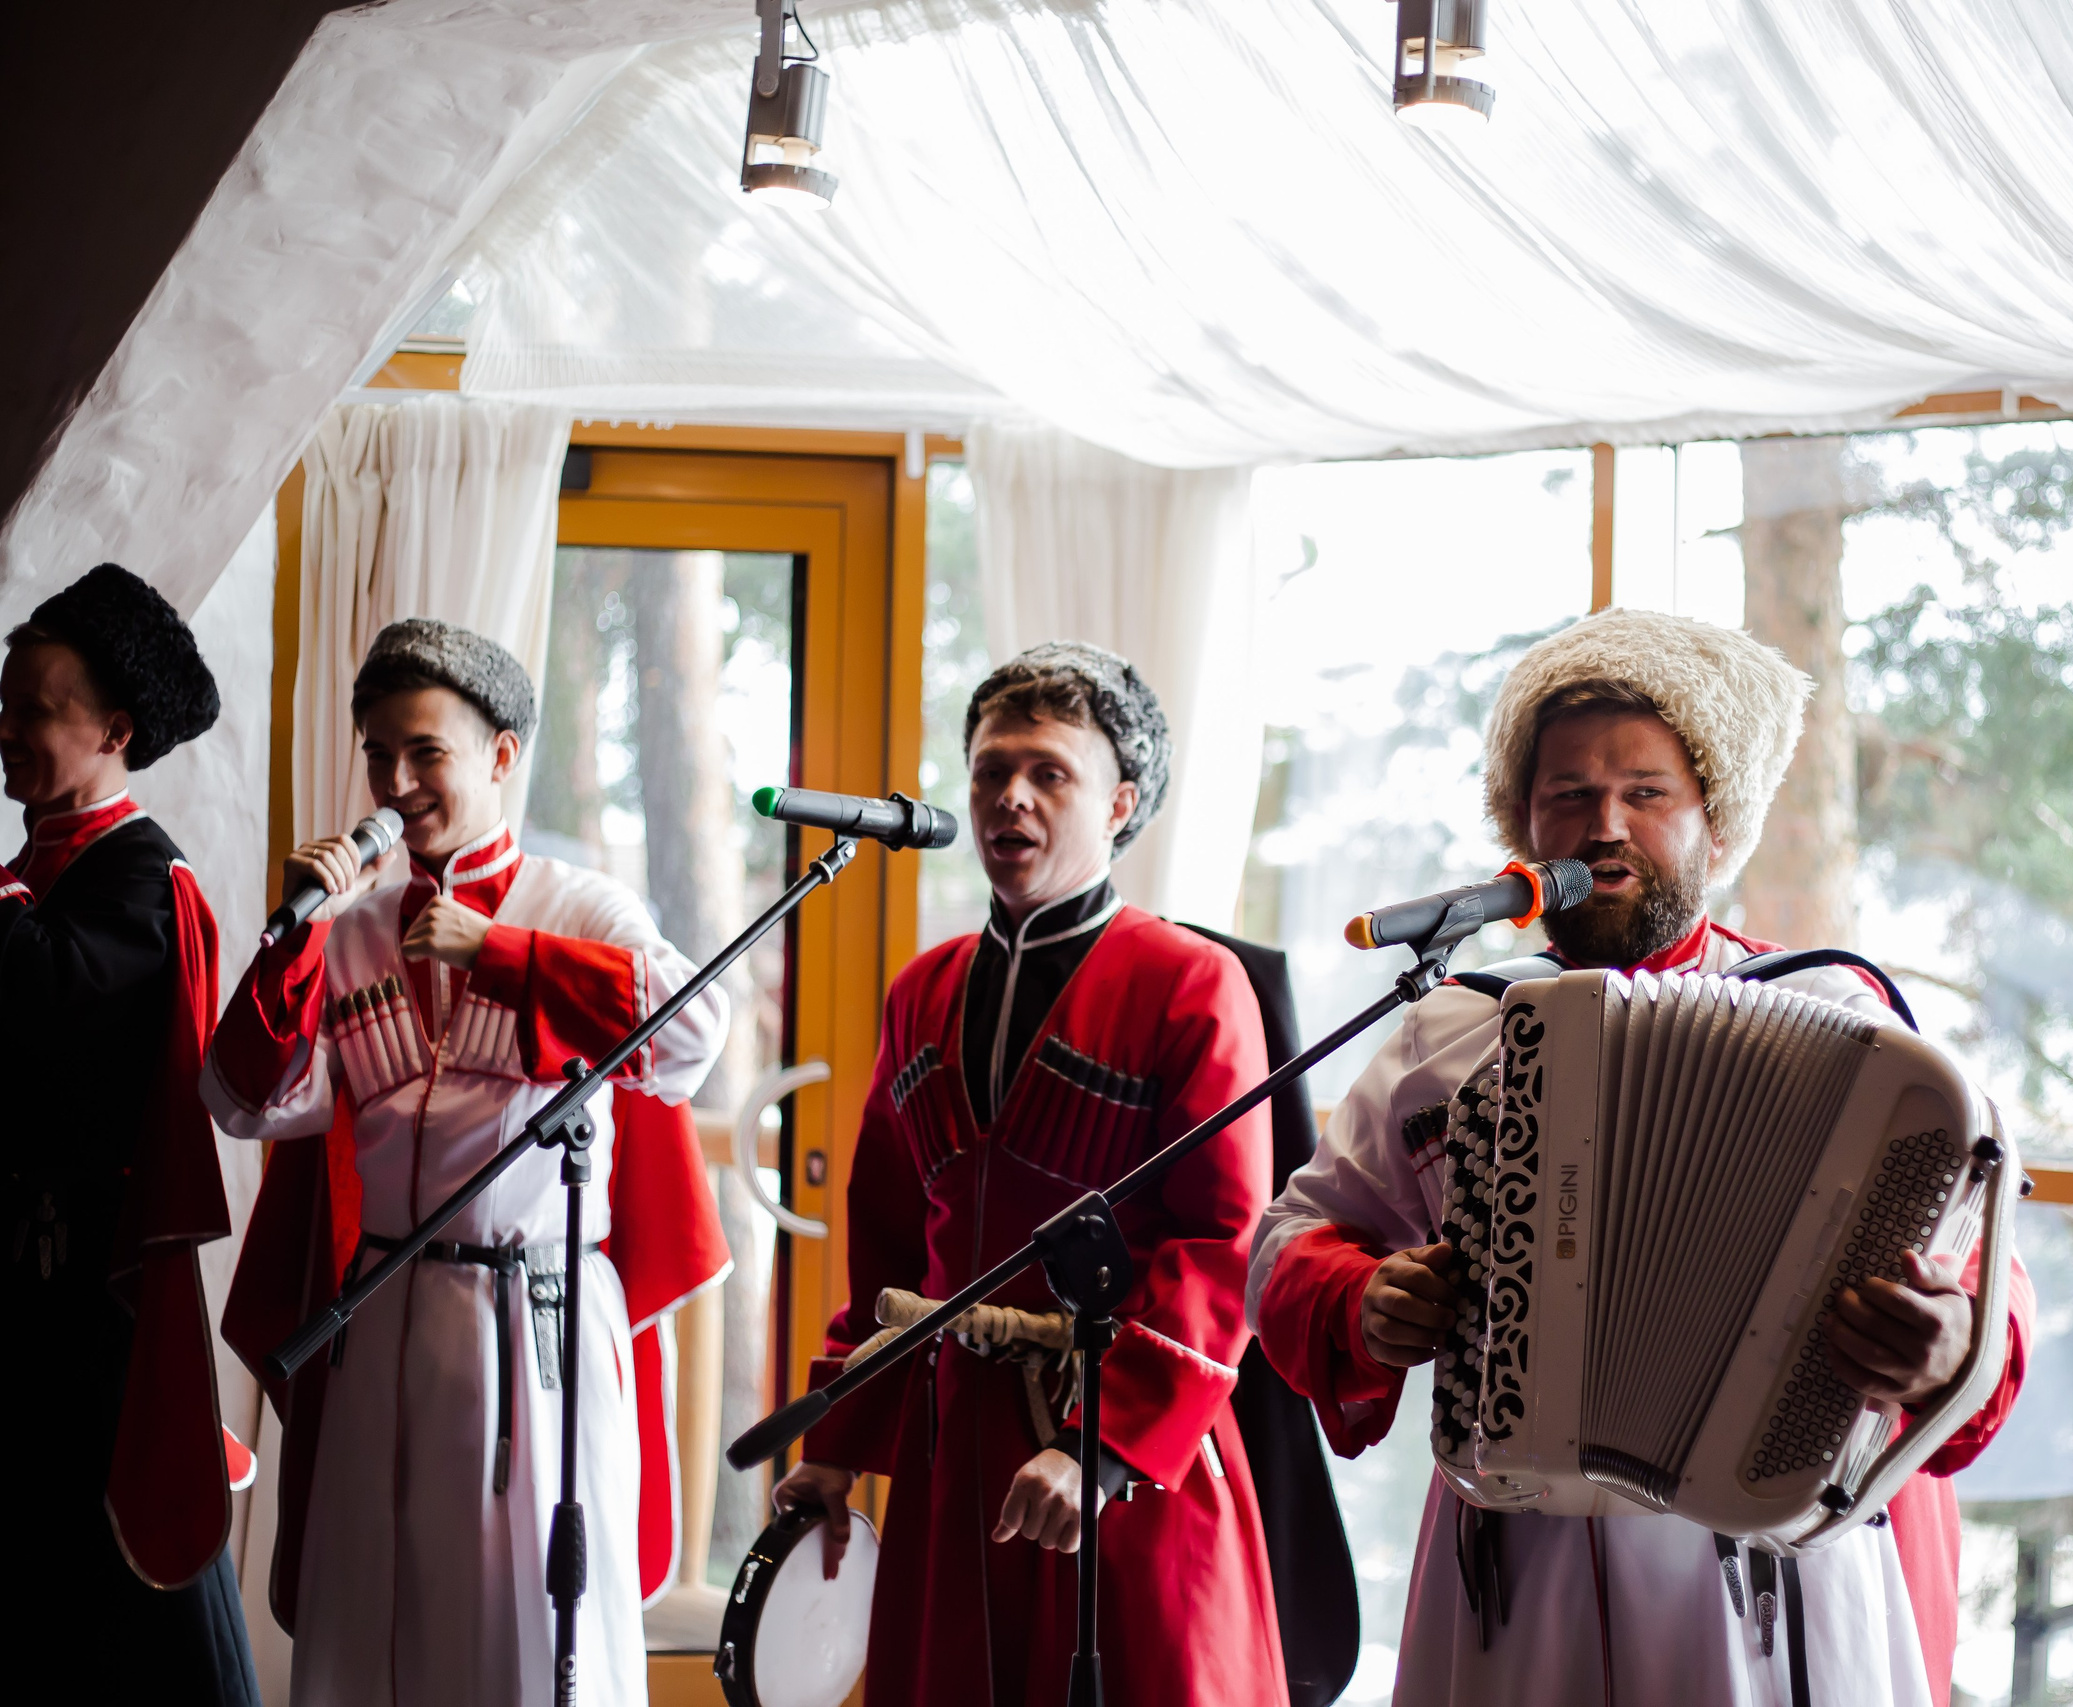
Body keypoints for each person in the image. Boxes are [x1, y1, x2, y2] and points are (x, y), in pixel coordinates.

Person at [1247, 607, 2033, 1707]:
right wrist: (1364, 1300)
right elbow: (1289, 1241)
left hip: (1767, 1570)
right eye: (1566, 795)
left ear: (1717, 820)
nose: (1602, 825)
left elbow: (1985, 1274)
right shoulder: (1449, 1031)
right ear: (1522, 825)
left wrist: (1950, 1342)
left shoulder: (1842, 1022)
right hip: (1514, 1565)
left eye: (1645, 793)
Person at [208, 618, 731, 1707]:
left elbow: (690, 1040)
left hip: (531, 1318)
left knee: (529, 1626)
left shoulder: (579, 908)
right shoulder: (349, 931)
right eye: (378, 756)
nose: (396, 783)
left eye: (426, 753)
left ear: (500, 755)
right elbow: (246, 1105)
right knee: (375, 1603)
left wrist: (497, 951)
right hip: (383, 1309)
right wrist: (293, 943)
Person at [772, 642, 1291, 1707]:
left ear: (1121, 802)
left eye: (1048, 772)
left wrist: (1099, 1452)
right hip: (950, 1444)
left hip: (1120, 1451)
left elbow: (1221, 1241)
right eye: (989, 772)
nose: (1008, 796)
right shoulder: (921, 990)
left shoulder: (1192, 983)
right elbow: (884, 1250)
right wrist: (836, 1441)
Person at [0, 563, 259, 1706]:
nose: (5, 736)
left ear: (114, 730)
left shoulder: (142, 878)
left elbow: (46, 1007)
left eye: (33, 714)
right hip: (21, 1274)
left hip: (87, 1287)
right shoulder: (36, 874)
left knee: (114, 1580)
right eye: (1, 710)